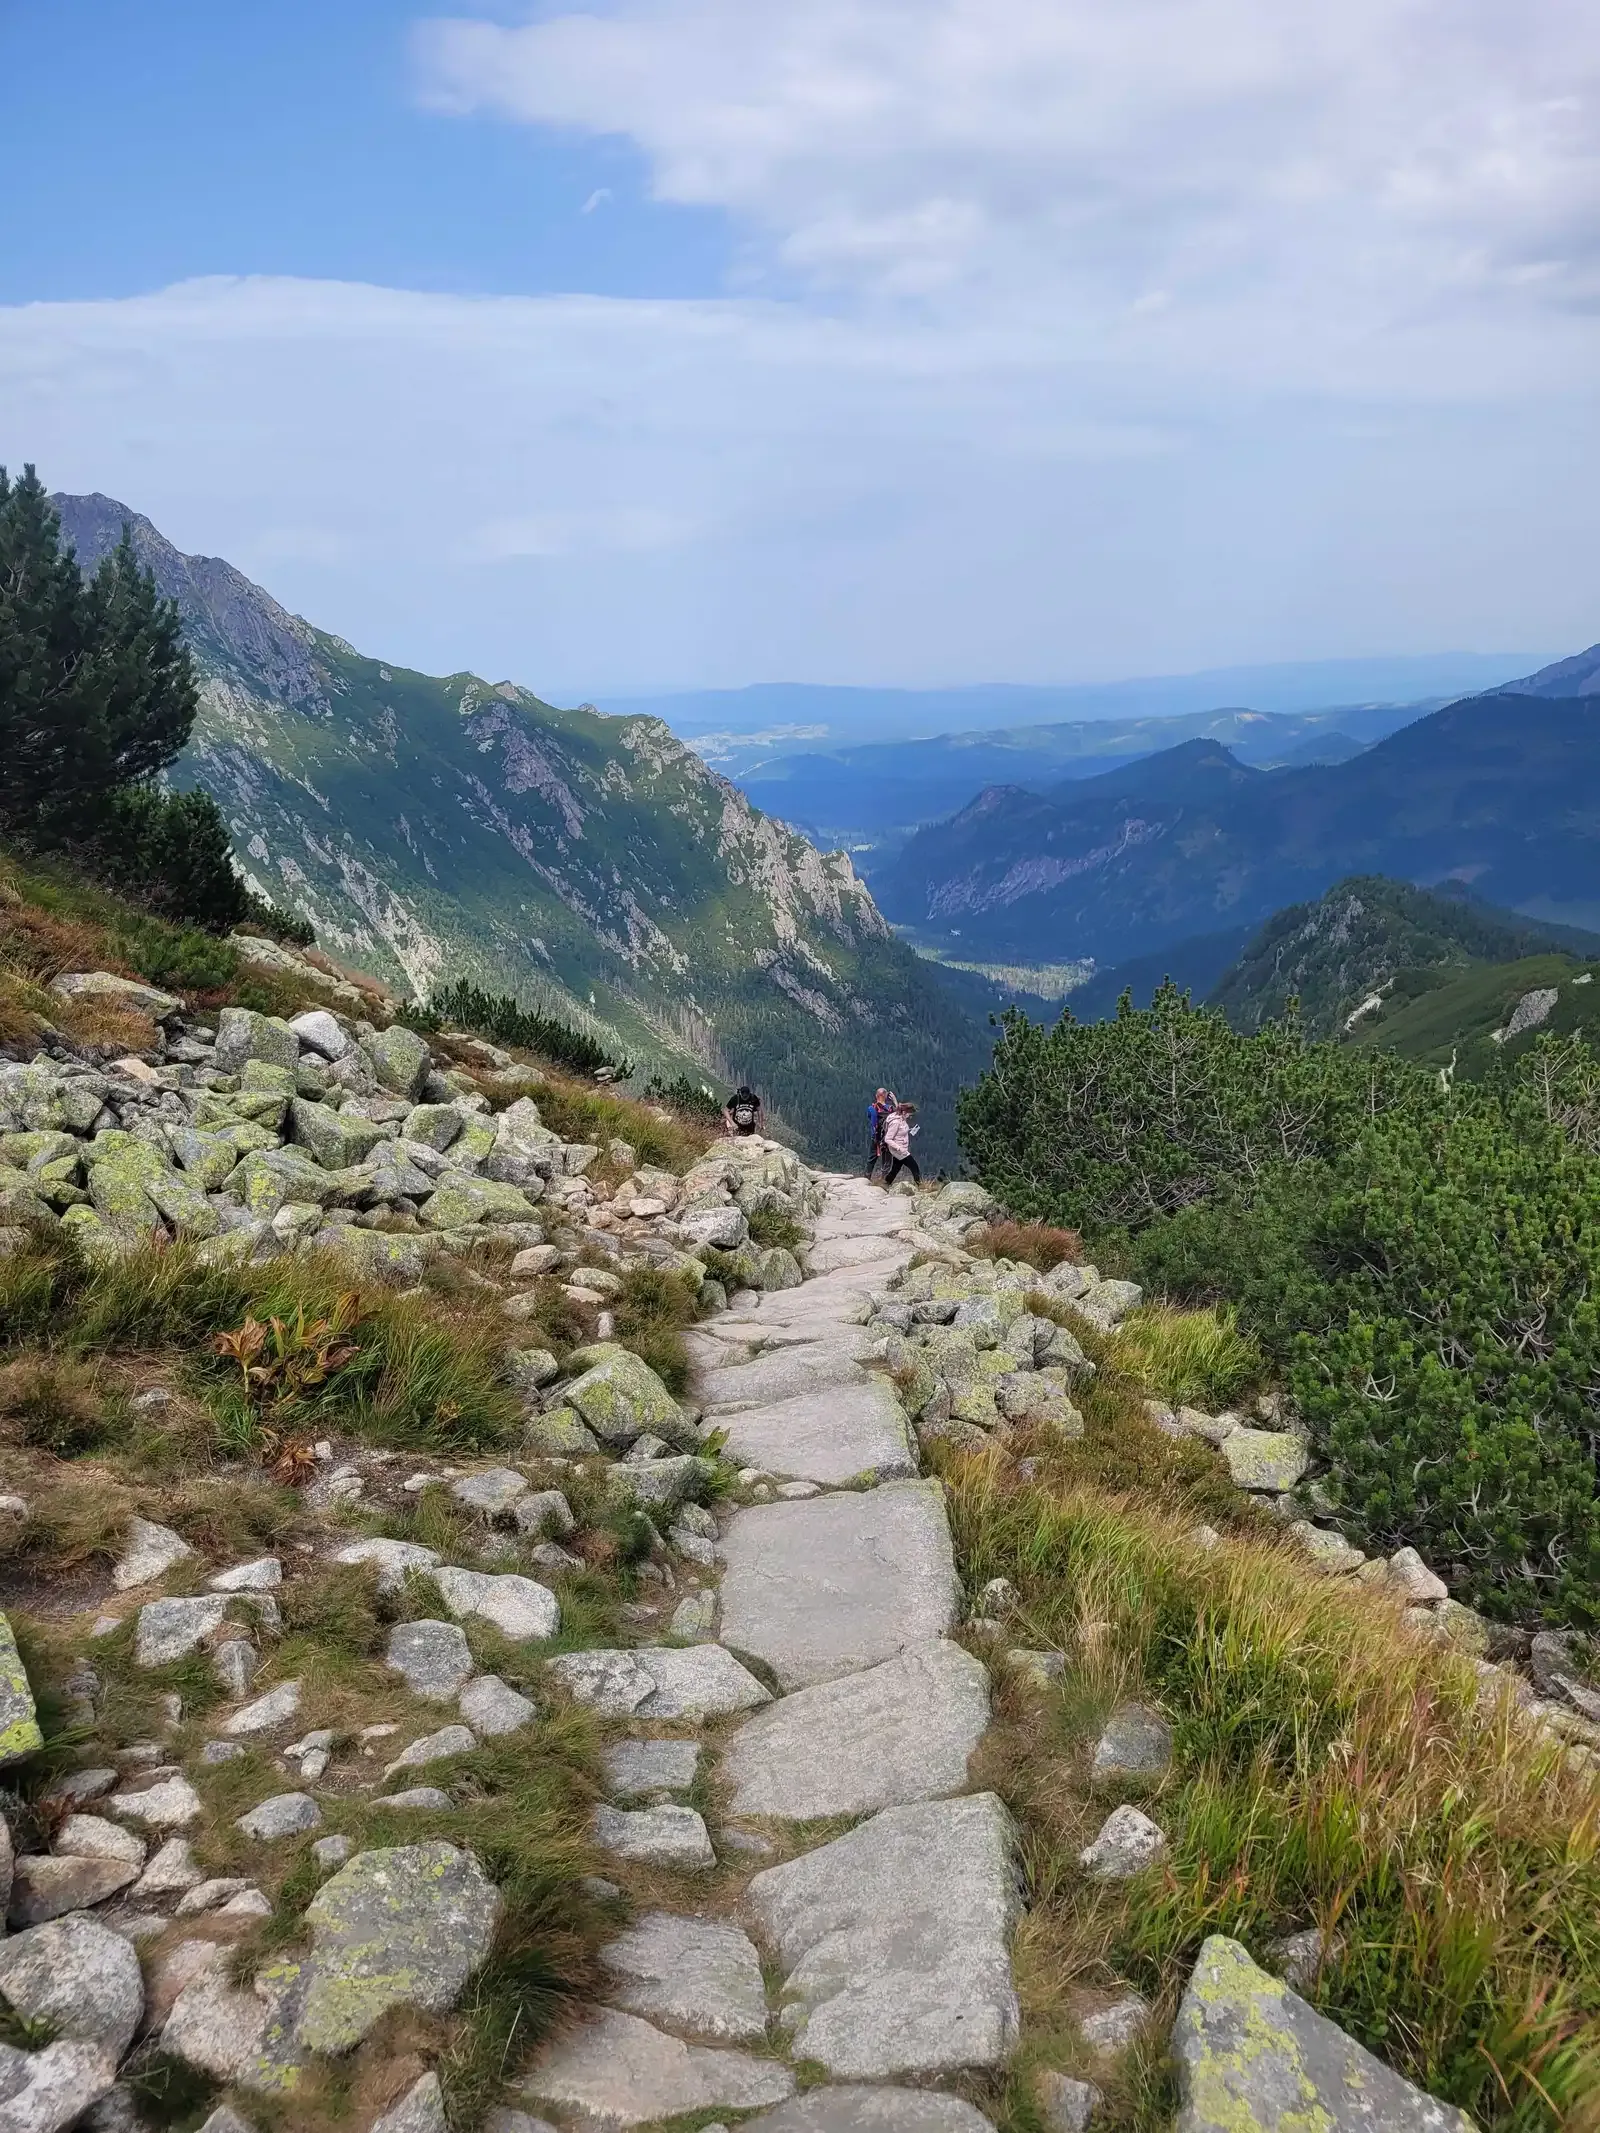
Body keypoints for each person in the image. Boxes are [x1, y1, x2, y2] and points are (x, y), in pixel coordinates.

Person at [881, 1099, 921, 1187]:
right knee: (914, 1166)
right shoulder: (895, 1122)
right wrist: (899, 1148)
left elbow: (900, 1131)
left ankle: (886, 1183)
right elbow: (888, 1139)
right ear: (904, 1112)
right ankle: (920, 1185)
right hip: (899, 1149)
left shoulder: (901, 1118)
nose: (910, 1117)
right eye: (910, 1114)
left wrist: (910, 1130)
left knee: (896, 1168)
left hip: (901, 1148)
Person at [865, 1086, 895, 1177]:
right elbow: (900, 1113)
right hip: (887, 1137)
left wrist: (875, 1131)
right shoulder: (890, 1109)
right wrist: (894, 1100)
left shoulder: (871, 1108)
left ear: (876, 1096)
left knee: (872, 1157)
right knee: (887, 1160)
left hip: (875, 1136)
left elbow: (871, 1117)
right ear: (885, 1096)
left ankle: (867, 1177)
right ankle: (884, 1179)